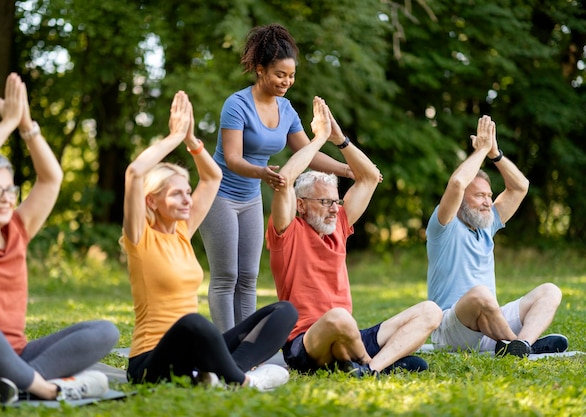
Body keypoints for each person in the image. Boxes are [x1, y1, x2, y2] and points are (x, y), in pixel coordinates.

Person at [0, 73, 119, 405]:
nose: (6, 198)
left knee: (105, 331)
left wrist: (27, 125)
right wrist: (7, 123)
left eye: (10, 189)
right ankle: (45, 388)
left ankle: (14, 382)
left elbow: (52, 178)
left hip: (17, 356)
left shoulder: (18, 228)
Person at [121, 90, 297, 391]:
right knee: (194, 323)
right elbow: (135, 172)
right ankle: (244, 381)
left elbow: (213, 177)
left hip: (190, 356)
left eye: (187, 192)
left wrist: (192, 142)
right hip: (150, 362)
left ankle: (225, 375)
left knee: (284, 311)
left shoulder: (181, 233)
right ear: (151, 201)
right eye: (177, 193)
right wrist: (174, 137)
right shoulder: (139, 239)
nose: (187, 199)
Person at [266, 96, 442, 376]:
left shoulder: (338, 224)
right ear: (301, 205)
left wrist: (339, 139)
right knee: (338, 318)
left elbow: (371, 177)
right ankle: (370, 361)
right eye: (325, 202)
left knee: (431, 311)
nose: (334, 210)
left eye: (336, 202)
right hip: (307, 344)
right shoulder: (287, 231)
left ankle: (370, 367)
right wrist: (319, 137)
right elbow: (285, 179)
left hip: (349, 335)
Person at [199, 23, 352, 332]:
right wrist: (262, 172)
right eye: (280, 75)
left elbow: (308, 151)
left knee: (248, 277)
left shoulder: (286, 109)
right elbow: (232, 158)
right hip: (220, 195)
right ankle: (226, 347)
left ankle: (243, 346)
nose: (287, 82)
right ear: (260, 70)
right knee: (227, 275)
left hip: (251, 197)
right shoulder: (237, 105)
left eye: (291, 76)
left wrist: (345, 168)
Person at [426, 115, 568, 357]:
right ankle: (518, 344)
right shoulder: (443, 225)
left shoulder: (487, 225)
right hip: (452, 328)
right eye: (480, 195)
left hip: (491, 324)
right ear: (461, 200)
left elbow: (520, 187)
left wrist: (495, 154)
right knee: (480, 294)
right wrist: (481, 150)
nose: (487, 202)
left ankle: (520, 344)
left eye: (489, 195)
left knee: (550, 291)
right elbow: (458, 182)